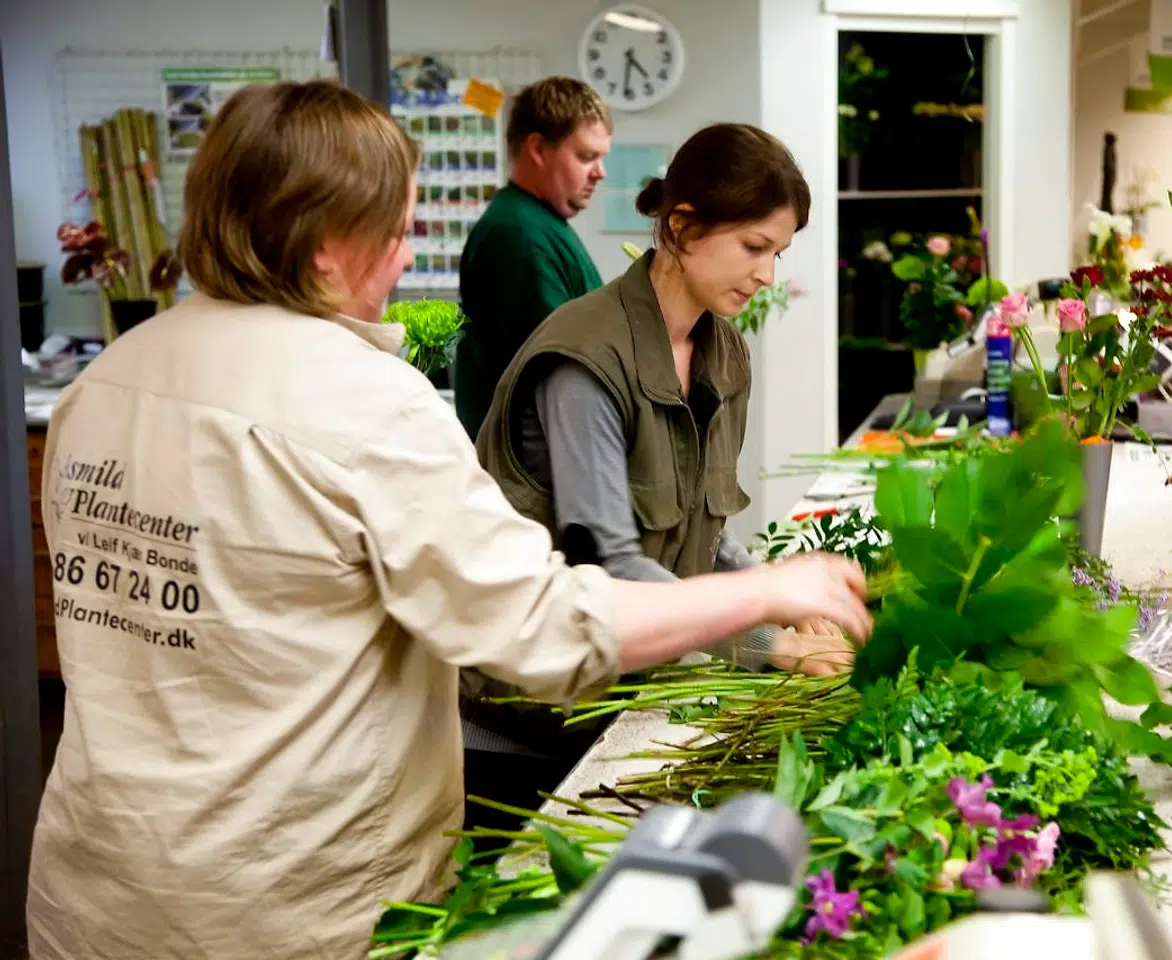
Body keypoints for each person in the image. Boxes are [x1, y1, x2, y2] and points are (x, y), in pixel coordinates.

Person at [25, 80, 871, 960]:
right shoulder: (365, 404)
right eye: (395, 234)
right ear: (325, 249)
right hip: (282, 910)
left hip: (96, 891)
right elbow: (546, 627)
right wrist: (767, 600)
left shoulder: (108, 380)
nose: (403, 260)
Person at [466, 124, 854, 812]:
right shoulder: (584, 360)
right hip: (540, 702)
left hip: (638, 678)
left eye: (779, 253)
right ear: (681, 226)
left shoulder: (722, 352)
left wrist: (789, 599)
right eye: (754, 248)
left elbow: (705, 532)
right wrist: (767, 638)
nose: (768, 274)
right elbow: (610, 568)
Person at [453, 77, 610, 440]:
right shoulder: (522, 236)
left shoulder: (538, 223)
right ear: (538, 148)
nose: (600, 172)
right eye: (586, 156)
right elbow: (562, 374)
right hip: (533, 473)